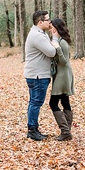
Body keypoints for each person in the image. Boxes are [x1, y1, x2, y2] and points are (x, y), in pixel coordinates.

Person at [24, 10, 57, 141]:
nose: (50, 22)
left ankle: (33, 128)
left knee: (34, 102)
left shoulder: (38, 33)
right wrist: (54, 38)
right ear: (40, 22)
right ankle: (32, 130)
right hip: (37, 75)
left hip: (35, 74)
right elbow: (51, 52)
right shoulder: (37, 36)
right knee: (36, 102)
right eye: (48, 20)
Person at [49, 18, 75, 141]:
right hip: (61, 73)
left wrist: (57, 48)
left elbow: (64, 61)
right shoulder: (58, 40)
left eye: (51, 27)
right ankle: (67, 131)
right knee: (65, 101)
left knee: (53, 103)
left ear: (56, 27)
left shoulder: (62, 42)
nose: (50, 29)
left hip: (63, 75)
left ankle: (65, 130)